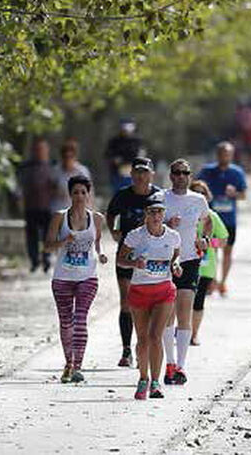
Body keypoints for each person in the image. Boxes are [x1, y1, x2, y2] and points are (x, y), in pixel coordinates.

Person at [116, 191, 181, 400]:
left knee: (156, 336)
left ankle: (156, 382)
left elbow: (176, 256)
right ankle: (142, 378)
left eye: (159, 212)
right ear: (146, 214)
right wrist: (135, 263)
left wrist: (175, 265)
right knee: (143, 339)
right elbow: (120, 260)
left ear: (164, 214)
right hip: (139, 291)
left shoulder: (173, 236)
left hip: (163, 290)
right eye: (152, 212)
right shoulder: (136, 235)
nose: (156, 216)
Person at [44, 176, 108, 383]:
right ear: (69, 195)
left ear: (88, 195)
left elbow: (97, 243)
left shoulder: (97, 218)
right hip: (62, 277)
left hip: (87, 276)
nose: (80, 196)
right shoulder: (58, 217)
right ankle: (68, 363)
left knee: (80, 319)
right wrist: (64, 240)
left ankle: (77, 367)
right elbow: (47, 246)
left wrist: (101, 254)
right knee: (66, 322)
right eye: (75, 192)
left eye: (83, 192)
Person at [106, 157, 161, 367]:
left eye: (145, 172)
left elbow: (164, 218)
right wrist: (114, 231)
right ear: (131, 175)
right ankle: (127, 350)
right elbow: (110, 214)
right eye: (137, 172)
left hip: (151, 256)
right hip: (127, 255)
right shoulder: (123, 195)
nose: (141, 176)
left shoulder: (158, 195)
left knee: (148, 303)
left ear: (151, 174)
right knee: (127, 302)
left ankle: (144, 348)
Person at [161, 159, 211, 386]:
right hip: (165, 260)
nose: (181, 176)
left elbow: (207, 221)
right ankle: (169, 363)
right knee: (167, 314)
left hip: (190, 260)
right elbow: (149, 222)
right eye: (177, 173)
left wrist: (205, 239)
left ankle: (181, 366)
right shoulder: (162, 197)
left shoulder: (198, 199)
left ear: (190, 176)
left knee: (184, 312)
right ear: (171, 176)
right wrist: (166, 223)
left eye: (185, 173)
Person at [196, 142, 247, 296]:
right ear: (217, 155)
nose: (224, 156)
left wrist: (234, 194)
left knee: (227, 251)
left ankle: (223, 282)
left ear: (232, 155)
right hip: (209, 220)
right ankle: (212, 280)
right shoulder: (207, 171)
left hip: (228, 219)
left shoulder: (237, 172)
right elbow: (196, 187)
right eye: (221, 153)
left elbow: (243, 195)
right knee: (211, 250)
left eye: (227, 153)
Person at [188, 180, 230, 346]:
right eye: (196, 192)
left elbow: (224, 240)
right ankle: (183, 328)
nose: (200, 196)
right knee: (183, 299)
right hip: (185, 264)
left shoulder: (212, 216)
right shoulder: (184, 215)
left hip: (205, 267)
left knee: (198, 301)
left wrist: (206, 243)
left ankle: (194, 334)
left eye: (203, 193)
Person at [17, 137, 56, 273]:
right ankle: (34, 261)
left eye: (42, 149)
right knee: (32, 236)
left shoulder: (53, 166)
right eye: (37, 149)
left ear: (47, 150)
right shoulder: (26, 167)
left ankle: (46, 259)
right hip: (31, 207)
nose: (40, 152)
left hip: (48, 207)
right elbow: (19, 186)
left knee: (48, 236)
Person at [50, 139, 91, 213]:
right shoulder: (55, 171)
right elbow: (50, 190)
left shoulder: (82, 171)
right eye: (65, 157)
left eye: (70, 156)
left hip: (77, 211)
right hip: (58, 209)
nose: (68, 159)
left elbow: (89, 193)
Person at [105, 119, 144, 194]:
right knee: (119, 195)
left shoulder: (137, 141)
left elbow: (140, 155)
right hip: (117, 174)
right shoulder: (114, 141)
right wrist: (114, 160)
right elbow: (108, 155)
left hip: (134, 174)